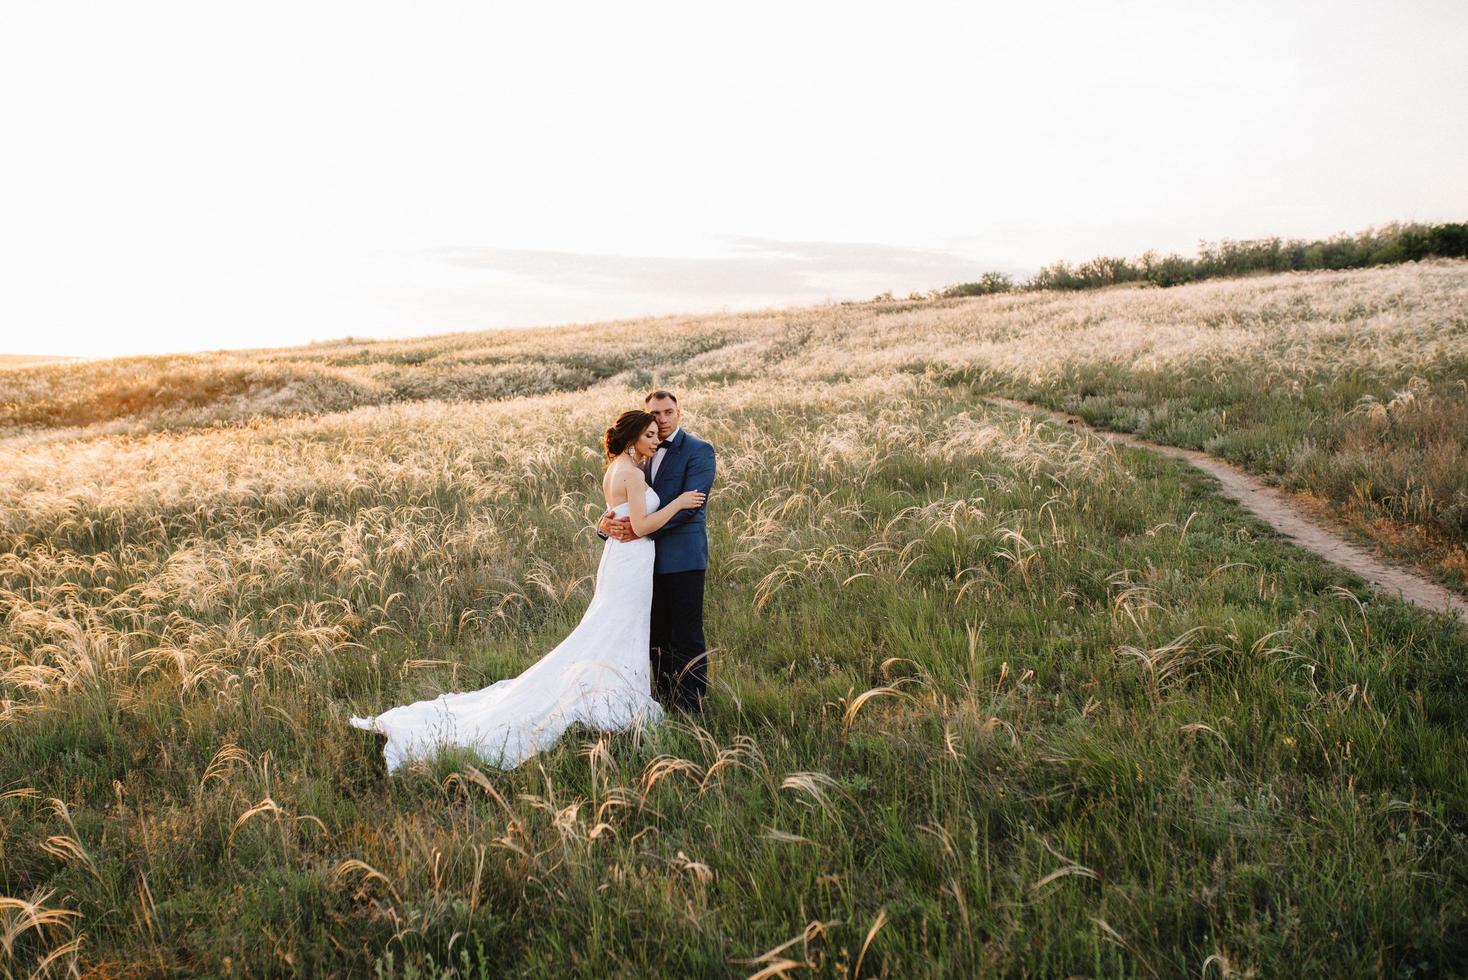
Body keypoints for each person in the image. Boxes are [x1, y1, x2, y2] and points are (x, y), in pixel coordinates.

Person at [350, 411, 705, 772]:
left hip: (623, 559)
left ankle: (617, 690)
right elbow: (641, 524)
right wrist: (677, 503)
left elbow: (616, 513)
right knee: (616, 627)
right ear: (632, 438)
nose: (655, 439)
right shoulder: (630, 472)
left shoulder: (618, 468)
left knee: (613, 627)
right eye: (648, 435)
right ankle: (615, 698)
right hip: (630, 559)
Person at [598, 389, 716, 711]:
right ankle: (663, 699)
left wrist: (637, 528)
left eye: (668, 413)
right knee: (654, 635)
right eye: (656, 414)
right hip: (642, 563)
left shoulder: (699, 451)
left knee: (686, 632)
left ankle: (691, 704)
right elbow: (624, 503)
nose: (662, 420)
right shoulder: (638, 456)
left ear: (678, 413)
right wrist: (605, 525)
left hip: (683, 558)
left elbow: (690, 507)